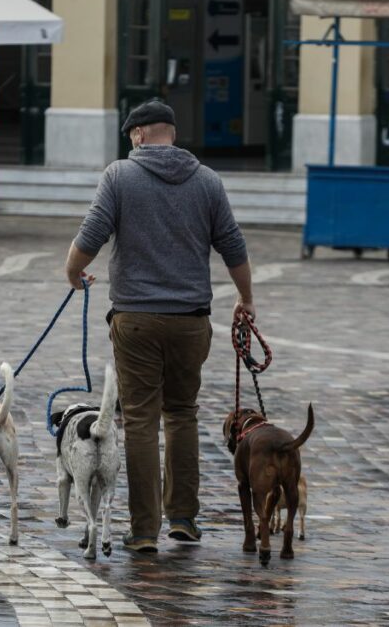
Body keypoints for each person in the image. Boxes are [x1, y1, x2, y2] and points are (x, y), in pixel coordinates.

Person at [65, 100, 254, 553]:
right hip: (191, 321)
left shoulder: (120, 176)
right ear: (171, 132)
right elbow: (232, 245)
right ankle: (184, 518)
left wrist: (73, 273)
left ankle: (145, 529)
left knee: (142, 420)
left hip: (135, 320)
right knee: (183, 413)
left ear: (139, 135)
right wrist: (247, 299)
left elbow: (91, 235)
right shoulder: (208, 181)